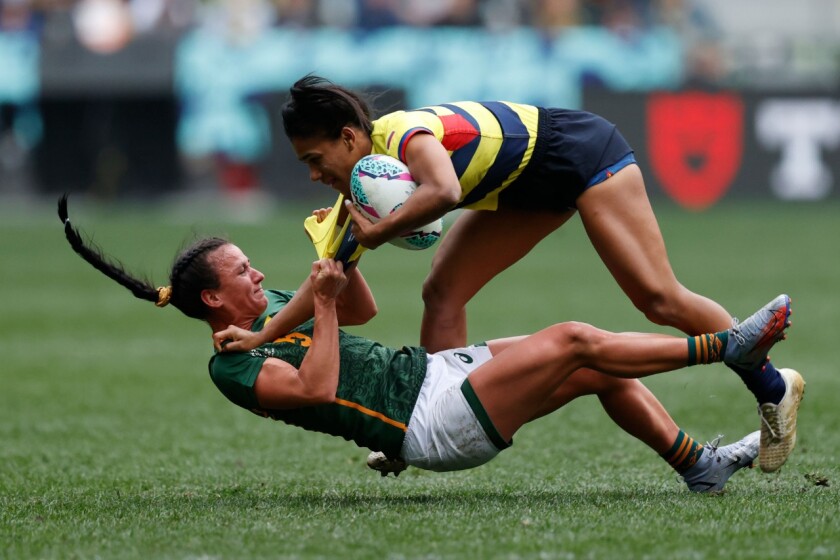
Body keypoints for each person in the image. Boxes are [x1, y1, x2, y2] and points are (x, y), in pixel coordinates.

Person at [221, 75, 803, 473]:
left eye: (315, 160)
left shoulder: (400, 135)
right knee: (442, 289)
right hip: (522, 189)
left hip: (578, 152)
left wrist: (376, 232)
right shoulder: (362, 186)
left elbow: (444, 191)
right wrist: (261, 336)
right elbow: (326, 282)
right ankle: (419, 419)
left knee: (657, 298)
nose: (314, 175)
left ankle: (773, 390)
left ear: (349, 138)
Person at [58, 196, 799, 491]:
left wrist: (346, 251)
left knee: (591, 356)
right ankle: (723, 349)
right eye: (242, 272)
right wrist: (317, 305)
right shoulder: (230, 366)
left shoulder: (272, 310)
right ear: (212, 299)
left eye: (253, 264)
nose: (258, 272)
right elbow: (316, 390)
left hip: (433, 374)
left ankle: (698, 466)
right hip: (427, 425)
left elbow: (364, 312)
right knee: (575, 340)